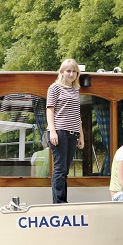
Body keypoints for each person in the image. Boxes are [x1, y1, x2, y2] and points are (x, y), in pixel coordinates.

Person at [46, 59, 85, 203]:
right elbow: (50, 110)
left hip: (73, 133)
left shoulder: (75, 90)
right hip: (60, 131)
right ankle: (59, 202)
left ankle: (63, 200)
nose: (71, 74)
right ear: (62, 72)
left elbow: (77, 114)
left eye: (74, 71)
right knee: (60, 168)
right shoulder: (54, 88)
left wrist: (81, 135)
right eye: (68, 71)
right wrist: (53, 131)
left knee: (65, 171)